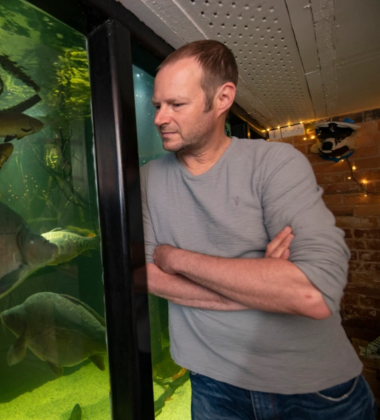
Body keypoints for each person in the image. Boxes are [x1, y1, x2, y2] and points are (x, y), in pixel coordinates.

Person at [141, 40, 377, 419]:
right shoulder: (148, 179)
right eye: (157, 106)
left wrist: (175, 257)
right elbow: (145, 277)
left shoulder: (276, 162)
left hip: (313, 387)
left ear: (222, 99)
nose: (159, 118)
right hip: (212, 385)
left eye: (176, 105)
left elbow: (311, 294)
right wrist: (260, 288)